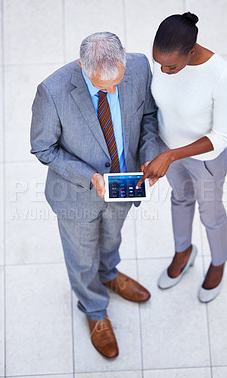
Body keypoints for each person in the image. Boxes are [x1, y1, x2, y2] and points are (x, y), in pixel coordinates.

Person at [30, 32, 158, 358]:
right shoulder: (53, 92)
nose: (114, 90)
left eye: (118, 81)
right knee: (81, 254)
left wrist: (149, 154)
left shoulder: (140, 66)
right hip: (76, 194)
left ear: (125, 56)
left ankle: (110, 274)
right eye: (105, 87)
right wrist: (89, 177)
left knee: (112, 238)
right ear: (83, 69)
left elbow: (148, 117)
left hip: (123, 184)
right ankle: (94, 308)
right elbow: (43, 148)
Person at [137, 12, 227, 302]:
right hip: (168, 151)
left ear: (191, 51)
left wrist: (170, 155)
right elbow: (157, 108)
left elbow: (221, 136)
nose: (163, 71)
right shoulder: (165, 61)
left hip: (206, 161)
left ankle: (218, 263)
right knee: (180, 199)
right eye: (159, 65)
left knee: (212, 214)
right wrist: (156, 152)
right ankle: (183, 252)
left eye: (171, 67)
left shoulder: (221, 75)